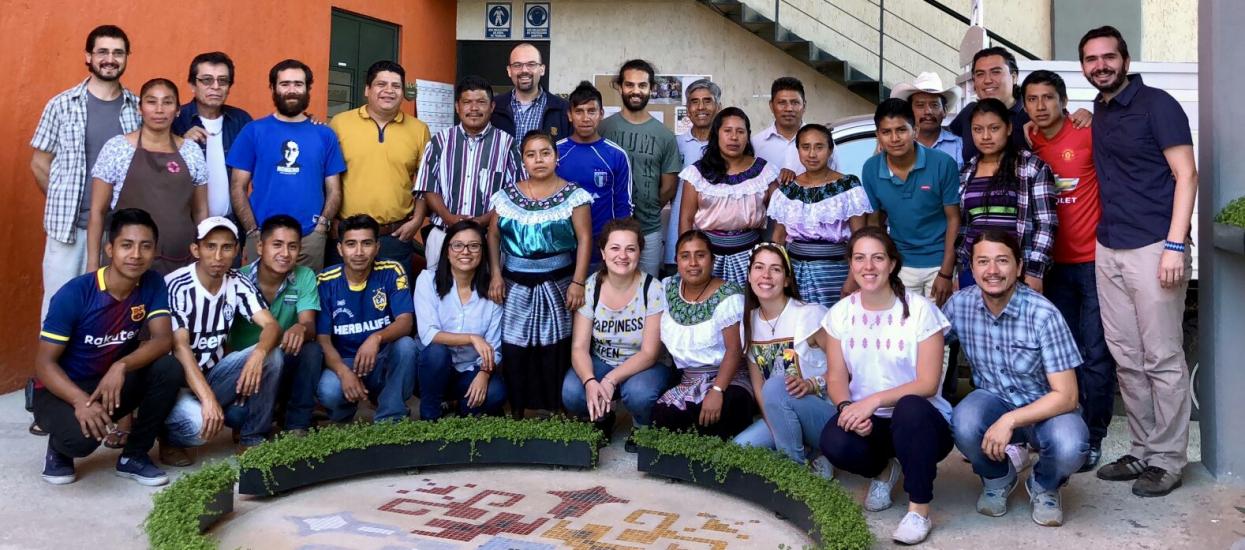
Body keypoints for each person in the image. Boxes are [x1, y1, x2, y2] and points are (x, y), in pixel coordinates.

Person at [1080, 26, 1197, 497]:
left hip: (1154, 247)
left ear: (1125, 59)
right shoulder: (1101, 110)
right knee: (1127, 357)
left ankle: (1168, 460)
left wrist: (1175, 244)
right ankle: (1144, 450)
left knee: (1162, 357)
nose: (1101, 65)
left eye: (1109, 56)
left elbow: (1186, 175)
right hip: (1108, 247)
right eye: (1091, 59)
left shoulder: (1158, 104)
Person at [818, 227, 954, 544]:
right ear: (850, 264)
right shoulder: (841, 314)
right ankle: (884, 470)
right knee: (834, 441)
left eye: (878, 258)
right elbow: (836, 376)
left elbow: (928, 383)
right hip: (872, 422)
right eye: (860, 258)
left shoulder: (920, 310)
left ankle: (918, 511)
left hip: (923, 422)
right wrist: (848, 407)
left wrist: (874, 400)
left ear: (892, 264)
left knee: (909, 407)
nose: (869, 267)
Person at [946, 230, 1089, 526]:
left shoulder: (1043, 314)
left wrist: (1009, 420)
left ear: (1019, 267)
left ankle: (1044, 485)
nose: (993, 271)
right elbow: (924, 343)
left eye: (1002, 261)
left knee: (1070, 445)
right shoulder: (960, 305)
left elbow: (1067, 395)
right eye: (983, 261)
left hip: (1046, 409)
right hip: (993, 400)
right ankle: (998, 478)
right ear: (972, 268)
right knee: (963, 420)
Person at [34, 208, 182, 486]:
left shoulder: (152, 283)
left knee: (168, 368)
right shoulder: (76, 293)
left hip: (109, 383)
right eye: (127, 245)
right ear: (110, 249)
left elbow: (163, 340)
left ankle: (134, 456)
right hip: (62, 390)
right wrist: (79, 401)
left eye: (145, 246)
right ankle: (59, 448)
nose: (136, 255)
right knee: (79, 442)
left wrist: (121, 365)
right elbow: (44, 364)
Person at [1022, 69, 1113, 471]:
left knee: (1096, 354)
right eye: (1032, 99)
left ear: (1062, 100)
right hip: (1051, 267)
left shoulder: (1087, 132)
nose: (1040, 107)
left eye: (1048, 98)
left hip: (1094, 262)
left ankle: (1093, 437)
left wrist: (1090, 114)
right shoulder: (1028, 140)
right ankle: (1065, 428)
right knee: (1060, 356)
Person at [32, 24, 140, 319]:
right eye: (102, 51)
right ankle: (51, 368)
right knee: (59, 306)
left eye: (118, 52)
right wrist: (61, 200)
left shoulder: (138, 109)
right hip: (67, 230)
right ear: (88, 56)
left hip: (116, 232)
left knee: (108, 311)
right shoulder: (61, 105)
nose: (110, 58)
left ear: (127, 57)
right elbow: (40, 162)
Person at [487, 132, 593, 416]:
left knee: (554, 346)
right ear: (523, 160)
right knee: (516, 346)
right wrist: (496, 275)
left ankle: (556, 408)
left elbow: (585, 239)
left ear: (556, 157)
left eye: (545, 153)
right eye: (531, 154)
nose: (539, 160)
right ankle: (519, 409)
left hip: (557, 282)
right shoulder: (507, 196)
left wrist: (578, 282)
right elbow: (493, 236)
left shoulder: (574, 195)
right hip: (514, 282)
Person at [162, 217, 283, 465]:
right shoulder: (178, 285)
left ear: (237, 250)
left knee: (273, 355)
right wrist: (207, 400)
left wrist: (259, 354)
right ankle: (167, 438)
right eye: (210, 246)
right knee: (199, 428)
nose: (218, 256)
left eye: (226, 247)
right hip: (179, 385)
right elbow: (180, 347)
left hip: (214, 374)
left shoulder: (237, 281)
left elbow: (271, 325)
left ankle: (252, 438)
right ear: (196, 249)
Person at [228, 58, 346, 271]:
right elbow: (237, 186)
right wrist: (252, 230)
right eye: (285, 84)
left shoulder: (325, 134)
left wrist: (322, 226)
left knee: (306, 300)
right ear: (273, 88)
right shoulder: (253, 131)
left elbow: (334, 189)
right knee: (258, 300)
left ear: (308, 88)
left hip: (310, 238)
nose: (292, 90)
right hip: (263, 236)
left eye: (298, 84)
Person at [561, 218, 670, 446]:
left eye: (631, 249)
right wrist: (591, 381)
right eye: (615, 248)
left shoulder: (653, 288)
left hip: (644, 366)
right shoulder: (591, 287)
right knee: (573, 391)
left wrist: (610, 380)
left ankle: (642, 425)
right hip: (603, 360)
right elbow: (579, 347)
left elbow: (650, 353)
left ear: (640, 252)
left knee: (639, 394)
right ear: (602, 252)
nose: (623, 256)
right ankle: (602, 416)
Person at [731, 243, 834, 480]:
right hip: (783, 415)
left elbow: (847, 369)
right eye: (759, 267)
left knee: (776, 385)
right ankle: (807, 452)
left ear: (787, 280)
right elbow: (759, 387)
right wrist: (777, 430)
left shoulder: (810, 315)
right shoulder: (749, 322)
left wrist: (812, 384)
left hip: (824, 415)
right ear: (749, 276)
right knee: (739, 449)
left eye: (775, 269)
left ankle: (795, 473)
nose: (766, 275)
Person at [87, 78, 209, 275]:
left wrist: (204, 255)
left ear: (178, 110)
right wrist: (92, 263)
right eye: (151, 102)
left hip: (181, 263)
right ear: (139, 108)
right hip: (127, 263)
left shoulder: (192, 152)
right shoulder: (117, 148)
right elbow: (97, 211)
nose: (159, 109)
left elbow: (201, 210)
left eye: (167, 102)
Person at [316, 214, 419, 423]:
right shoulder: (325, 281)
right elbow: (323, 340)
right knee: (329, 390)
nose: (359, 252)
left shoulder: (391, 271)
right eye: (351, 244)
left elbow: (405, 322)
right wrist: (343, 372)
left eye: (367, 243)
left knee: (407, 346)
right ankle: (345, 413)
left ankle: (390, 416)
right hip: (344, 361)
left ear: (377, 247)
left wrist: (376, 338)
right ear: (340, 249)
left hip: (381, 359)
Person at [415, 75, 523, 272]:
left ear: (491, 107)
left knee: (486, 295)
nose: (474, 108)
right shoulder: (439, 142)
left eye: (481, 102)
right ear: (457, 107)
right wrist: (448, 216)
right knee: (438, 292)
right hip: (443, 236)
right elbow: (428, 187)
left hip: (489, 238)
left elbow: (515, 193)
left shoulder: (507, 145)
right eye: (467, 102)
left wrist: (486, 219)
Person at [227, 214, 323, 437]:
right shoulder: (237, 280)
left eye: (292, 246)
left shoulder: (304, 276)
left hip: (284, 360)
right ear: (260, 247)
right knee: (236, 417)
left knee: (311, 349)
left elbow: (308, 323)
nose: (285, 253)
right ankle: (263, 417)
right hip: (248, 367)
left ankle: (296, 424)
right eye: (277, 245)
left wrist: (301, 327)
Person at [652, 230, 753, 439]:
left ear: (712, 260)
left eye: (701, 255)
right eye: (685, 256)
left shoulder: (729, 295)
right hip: (689, 379)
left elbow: (734, 350)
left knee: (727, 408)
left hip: (729, 378)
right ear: (676, 260)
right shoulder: (668, 288)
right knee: (663, 416)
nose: (693, 263)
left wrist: (716, 391)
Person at [329, 60, 430, 266]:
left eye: (396, 86)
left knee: (394, 296)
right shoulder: (339, 123)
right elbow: (327, 177)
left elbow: (425, 182)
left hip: (395, 236)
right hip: (348, 235)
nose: (389, 91)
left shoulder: (419, 130)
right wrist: (330, 221)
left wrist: (418, 220)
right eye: (381, 84)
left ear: (403, 92)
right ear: (367, 89)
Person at [860, 98, 960, 305]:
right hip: (900, 264)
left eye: (901, 130)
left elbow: (954, 219)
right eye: (886, 132)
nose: (894, 138)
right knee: (902, 330)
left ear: (915, 131)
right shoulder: (870, 168)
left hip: (939, 263)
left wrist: (946, 273)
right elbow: (874, 223)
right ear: (878, 136)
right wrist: (882, 265)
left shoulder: (942, 163)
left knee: (941, 333)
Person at [956, 98, 1058, 293]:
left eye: (994, 128)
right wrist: (959, 269)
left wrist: (1035, 272)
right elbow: (964, 226)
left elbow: (1046, 223)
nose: (985, 136)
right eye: (978, 130)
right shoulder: (967, 171)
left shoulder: (1031, 167)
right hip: (974, 270)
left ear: (1009, 128)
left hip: (1018, 270)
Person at [767, 124, 871, 308]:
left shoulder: (848, 186)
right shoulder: (787, 191)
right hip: (797, 273)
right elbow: (778, 238)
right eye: (805, 147)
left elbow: (860, 238)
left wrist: (853, 277)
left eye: (819, 147)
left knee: (838, 326)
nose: (812, 154)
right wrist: (777, 276)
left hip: (836, 273)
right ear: (798, 150)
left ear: (830, 150)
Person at [415, 220, 507, 420]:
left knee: (495, 393)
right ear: (447, 251)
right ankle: (429, 417)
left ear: (482, 252)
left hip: (469, 370)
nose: (465, 251)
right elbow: (428, 334)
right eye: (458, 245)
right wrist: (472, 338)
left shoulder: (493, 291)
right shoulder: (427, 280)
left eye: (474, 246)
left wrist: (484, 373)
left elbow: (494, 347)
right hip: (432, 371)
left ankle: (464, 411)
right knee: (436, 352)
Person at [677, 108, 778, 287]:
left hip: (751, 257)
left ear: (748, 136)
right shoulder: (696, 173)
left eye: (740, 131)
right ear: (716, 135)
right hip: (707, 258)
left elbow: (780, 217)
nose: (734, 137)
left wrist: (773, 253)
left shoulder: (764, 172)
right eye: (727, 131)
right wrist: (687, 257)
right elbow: (686, 219)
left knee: (749, 308)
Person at [599, 59, 682, 276]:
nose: (636, 91)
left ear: (652, 89)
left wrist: (647, 207)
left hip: (649, 230)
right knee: (609, 290)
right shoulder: (603, 128)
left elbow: (668, 187)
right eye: (630, 85)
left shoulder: (665, 136)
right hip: (609, 230)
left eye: (642, 85)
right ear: (620, 86)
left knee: (647, 292)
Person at [948, 47, 1091, 165]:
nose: (987, 80)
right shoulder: (968, 113)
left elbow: (1068, 128)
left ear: (1014, 76)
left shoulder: (1035, 115)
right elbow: (941, 139)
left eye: (996, 72)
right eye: (980, 74)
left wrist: (1088, 115)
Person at [173, 51, 254, 219]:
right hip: (187, 224)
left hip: (232, 224)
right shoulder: (175, 119)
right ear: (192, 85)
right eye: (207, 80)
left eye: (223, 80)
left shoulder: (242, 121)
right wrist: (180, 144)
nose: (216, 86)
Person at [555, 81, 632, 256]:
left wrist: (617, 246)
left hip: (602, 249)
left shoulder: (616, 155)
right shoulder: (555, 152)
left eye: (591, 111)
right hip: (561, 249)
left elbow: (623, 206)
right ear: (569, 115)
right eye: (579, 112)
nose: (585, 118)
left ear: (601, 114)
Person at [664, 79, 721, 275]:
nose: (701, 107)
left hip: (720, 246)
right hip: (678, 240)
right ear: (687, 109)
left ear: (718, 106)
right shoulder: (675, 144)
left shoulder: (729, 146)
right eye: (694, 102)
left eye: (707, 101)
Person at [490, 43, 570, 141]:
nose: (524, 70)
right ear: (509, 71)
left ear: (542, 69)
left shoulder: (562, 109)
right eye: (517, 65)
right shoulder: (493, 108)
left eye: (531, 64)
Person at [890, 72, 963, 169]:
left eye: (934, 105)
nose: (928, 111)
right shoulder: (897, 145)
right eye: (920, 105)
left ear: (944, 111)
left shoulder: (958, 145)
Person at [751, 77, 807, 176]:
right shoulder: (755, 144)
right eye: (782, 103)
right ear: (771, 106)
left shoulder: (822, 142)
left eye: (795, 103)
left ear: (804, 106)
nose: (789, 109)